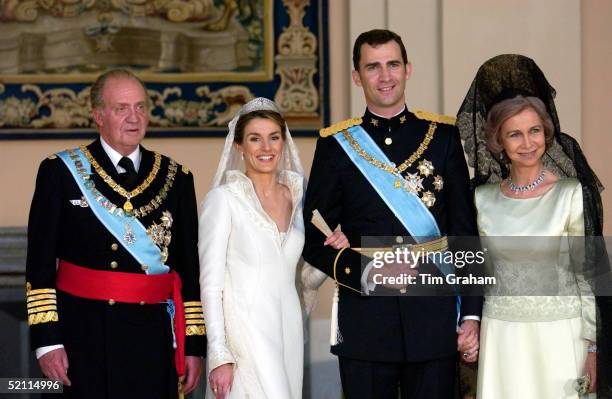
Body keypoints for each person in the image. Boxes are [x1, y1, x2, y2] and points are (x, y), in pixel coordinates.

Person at [302, 29, 482, 399]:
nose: (385, 76)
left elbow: (466, 232)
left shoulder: (443, 137)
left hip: (433, 317)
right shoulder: (336, 145)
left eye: (392, 65)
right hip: (365, 321)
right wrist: (355, 267)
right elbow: (310, 233)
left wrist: (472, 315)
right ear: (357, 77)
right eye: (373, 67)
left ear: (407, 69)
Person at [25, 69, 205, 398]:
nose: (134, 118)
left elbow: (188, 269)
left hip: (153, 339)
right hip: (84, 337)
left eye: (140, 107)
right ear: (98, 115)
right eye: (122, 108)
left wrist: (194, 345)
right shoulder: (61, 172)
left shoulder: (176, 177)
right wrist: (47, 341)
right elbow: (39, 265)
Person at [456, 54, 611, 398]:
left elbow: (589, 278)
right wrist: (471, 325)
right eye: (515, 134)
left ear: (547, 132)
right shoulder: (481, 199)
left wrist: (593, 349)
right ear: (498, 142)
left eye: (534, 131)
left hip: (561, 337)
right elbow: (472, 271)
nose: (527, 143)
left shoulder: (572, 194)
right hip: (502, 337)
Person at [198, 97, 347, 399]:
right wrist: (219, 354)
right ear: (239, 146)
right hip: (244, 332)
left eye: (273, 137)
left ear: (283, 141)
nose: (266, 147)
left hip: (287, 328)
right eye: (255, 139)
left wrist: (334, 251)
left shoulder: (300, 196)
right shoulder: (224, 200)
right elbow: (210, 284)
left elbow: (304, 278)